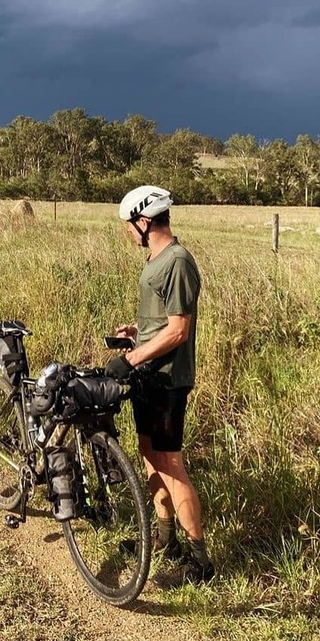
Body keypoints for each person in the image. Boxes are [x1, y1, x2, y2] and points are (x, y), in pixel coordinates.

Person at [104, 185, 215, 586]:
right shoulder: (156, 260)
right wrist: (137, 332)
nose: (127, 233)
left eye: (128, 226)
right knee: (149, 454)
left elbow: (179, 331)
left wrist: (130, 358)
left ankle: (199, 560)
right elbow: (162, 321)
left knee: (171, 464)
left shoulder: (178, 261)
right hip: (148, 376)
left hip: (168, 380)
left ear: (144, 221)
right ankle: (165, 538)